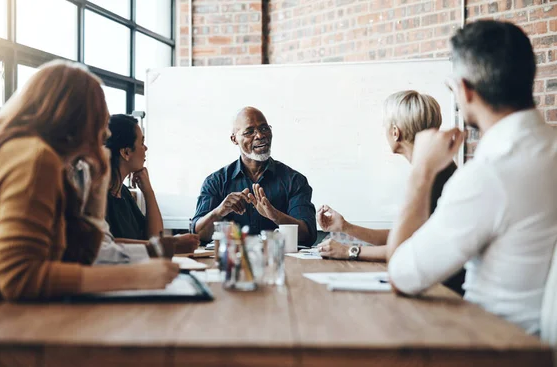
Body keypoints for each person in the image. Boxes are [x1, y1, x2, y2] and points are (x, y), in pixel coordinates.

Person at [0, 60, 179, 318]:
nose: (104, 132)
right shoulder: (35, 158)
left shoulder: (23, 153)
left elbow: (78, 255)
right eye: (99, 119)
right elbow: (21, 277)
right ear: (78, 118)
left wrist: (97, 187)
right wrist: (132, 276)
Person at [386, 20, 557, 335]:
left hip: (489, 345)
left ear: (464, 89)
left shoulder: (490, 174)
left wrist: (422, 172)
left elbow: (401, 275)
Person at [315, 90, 466, 296]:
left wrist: (349, 251)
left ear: (396, 132)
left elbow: (404, 248)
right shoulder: (435, 170)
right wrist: (346, 227)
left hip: (444, 292)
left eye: (385, 125)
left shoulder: (431, 177)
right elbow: (404, 236)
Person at [192, 106, 317, 246]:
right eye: (249, 132)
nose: (260, 135)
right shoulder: (216, 181)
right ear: (234, 139)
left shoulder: (294, 180)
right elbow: (198, 236)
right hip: (234, 262)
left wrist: (275, 216)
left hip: (280, 262)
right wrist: (219, 211)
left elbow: (308, 235)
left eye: (264, 128)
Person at [104, 114, 198, 253]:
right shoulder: (99, 195)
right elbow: (105, 245)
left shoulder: (123, 192)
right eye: (141, 143)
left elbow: (154, 237)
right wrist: (173, 244)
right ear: (126, 152)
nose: (145, 148)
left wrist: (148, 192)